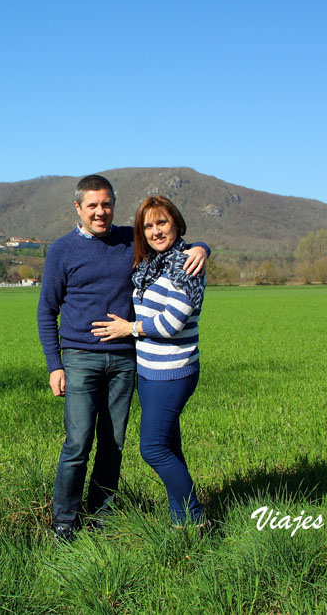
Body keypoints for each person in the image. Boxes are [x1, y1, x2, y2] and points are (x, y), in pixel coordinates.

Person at [37, 176, 209, 541]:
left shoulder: (126, 241)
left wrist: (203, 248)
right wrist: (55, 364)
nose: (100, 212)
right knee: (78, 443)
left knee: (113, 444)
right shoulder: (62, 250)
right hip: (81, 358)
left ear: (114, 204)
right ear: (78, 208)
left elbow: (171, 245)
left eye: (107, 204)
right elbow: (46, 310)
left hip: (125, 360)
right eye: (92, 206)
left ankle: (102, 516)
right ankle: (64, 521)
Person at [91, 195, 207, 529]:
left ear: (176, 223)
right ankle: (179, 520)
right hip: (150, 370)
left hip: (173, 369)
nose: (156, 231)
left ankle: (196, 519)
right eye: (148, 225)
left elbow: (172, 323)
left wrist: (130, 328)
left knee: (153, 449)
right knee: (170, 445)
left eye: (162, 223)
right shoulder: (150, 265)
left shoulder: (186, 265)